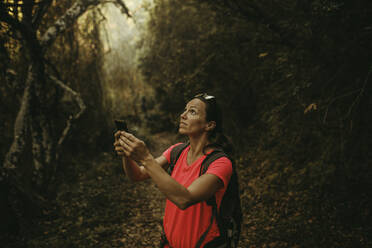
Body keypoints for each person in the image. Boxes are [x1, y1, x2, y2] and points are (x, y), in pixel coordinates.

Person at [113, 93, 233, 248]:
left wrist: (145, 157)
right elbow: (138, 175)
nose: (182, 115)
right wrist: (127, 154)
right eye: (185, 110)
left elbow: (185, 199)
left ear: (209, 125)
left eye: (192, 112)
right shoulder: (177, 151)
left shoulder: (221, 163)